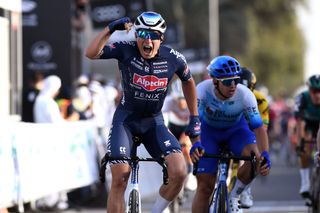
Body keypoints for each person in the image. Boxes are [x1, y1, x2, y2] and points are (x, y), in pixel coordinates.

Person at [85, 11, 200, 213]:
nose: (148, 40)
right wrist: (110, 29)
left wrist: (194, 117)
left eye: (153, 35)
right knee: (120, 178)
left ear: (161, 38)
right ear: (136, 36)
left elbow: (188, 81)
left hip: (153, 123)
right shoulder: (126, 49)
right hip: (126, 121)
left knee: (179, 172)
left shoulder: (172, 58)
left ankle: (156, 211)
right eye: (143, 34)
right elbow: (91, 52)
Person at [190, 55, 271, 213]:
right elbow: (194, 122)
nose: (233, 85)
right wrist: (196, 143)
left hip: (236, 132)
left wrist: (266, 153)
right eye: (227, 81)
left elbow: (259, 128)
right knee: (205, 187)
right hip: (209, 133)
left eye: (236, 80)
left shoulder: (245, 95)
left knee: (255, 155)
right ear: (215, 81)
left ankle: (235, 194)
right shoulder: (201, 90)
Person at [238, 67, 270, 208]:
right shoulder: (227, 94)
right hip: (232, 128)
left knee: (256, 155)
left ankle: (246, 189)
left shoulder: (261, 100)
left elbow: (262, 129)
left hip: (250, 129)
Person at [294, 74, 320, 206]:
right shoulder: (302, 98)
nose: (317, 95)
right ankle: (305, 184)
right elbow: (299, 123)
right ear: (309, 90)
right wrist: (300, 143)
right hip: (307, 125)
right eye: (315, 91)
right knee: (303, 147)